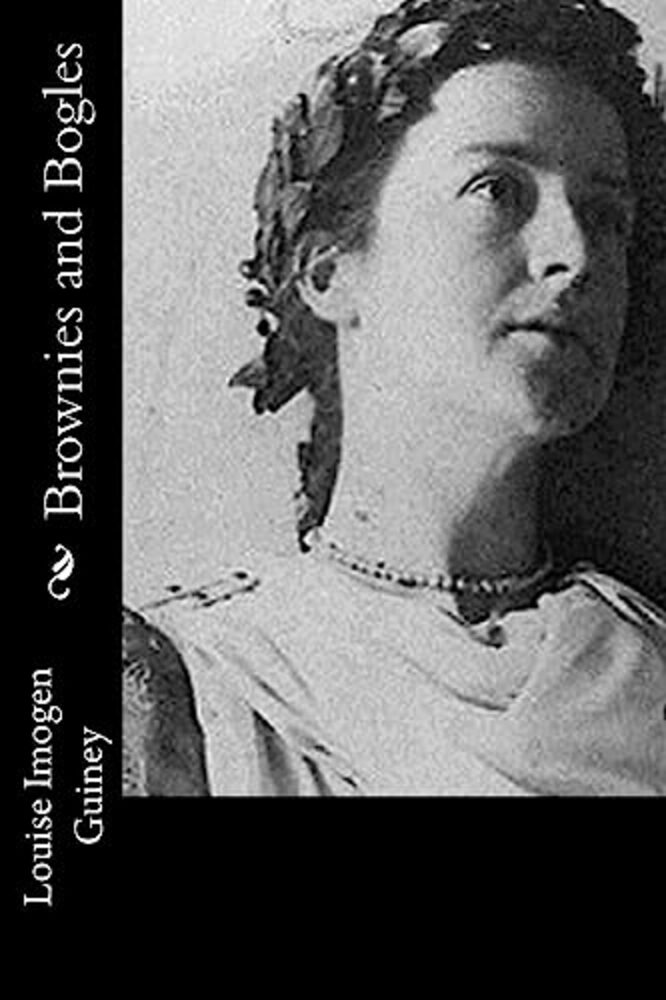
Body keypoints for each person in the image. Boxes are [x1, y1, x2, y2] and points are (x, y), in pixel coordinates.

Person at [123, 0, 666, 796]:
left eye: (607, 215)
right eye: (497, 189)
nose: (576, 254)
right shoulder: (187, 690)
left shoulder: (646, 671)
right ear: (329, 273)